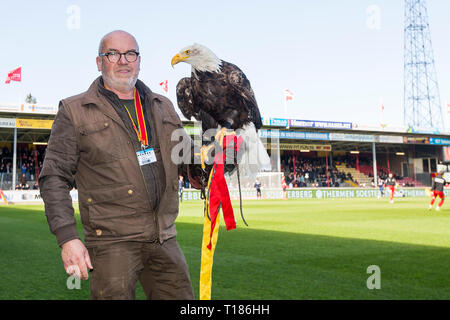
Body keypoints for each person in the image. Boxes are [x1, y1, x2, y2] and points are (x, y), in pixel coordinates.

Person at [39, 30, 200, 300]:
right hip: (111, 242)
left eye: (131, 54)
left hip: (164, 237)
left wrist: (219, 155)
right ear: (99, 62)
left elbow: (187, 159)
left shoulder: (163, 106)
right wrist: (68, 238)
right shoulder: (74, 110)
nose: (123, 61)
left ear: (139, 60)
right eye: (113, 54)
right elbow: (53, 177)